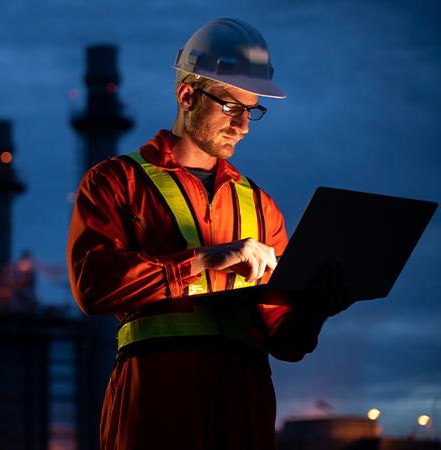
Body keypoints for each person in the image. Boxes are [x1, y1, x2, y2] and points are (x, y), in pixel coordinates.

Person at [66, 18, 355, 450]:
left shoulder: (261, 207)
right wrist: (202, 260)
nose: (244, 125)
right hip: (156, 398)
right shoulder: (116, 181)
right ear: (187, 95)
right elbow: (92, 286)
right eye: (231, 107)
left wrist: (315, 308)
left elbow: (285, 341)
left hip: (246, 403)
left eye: (252, 110)